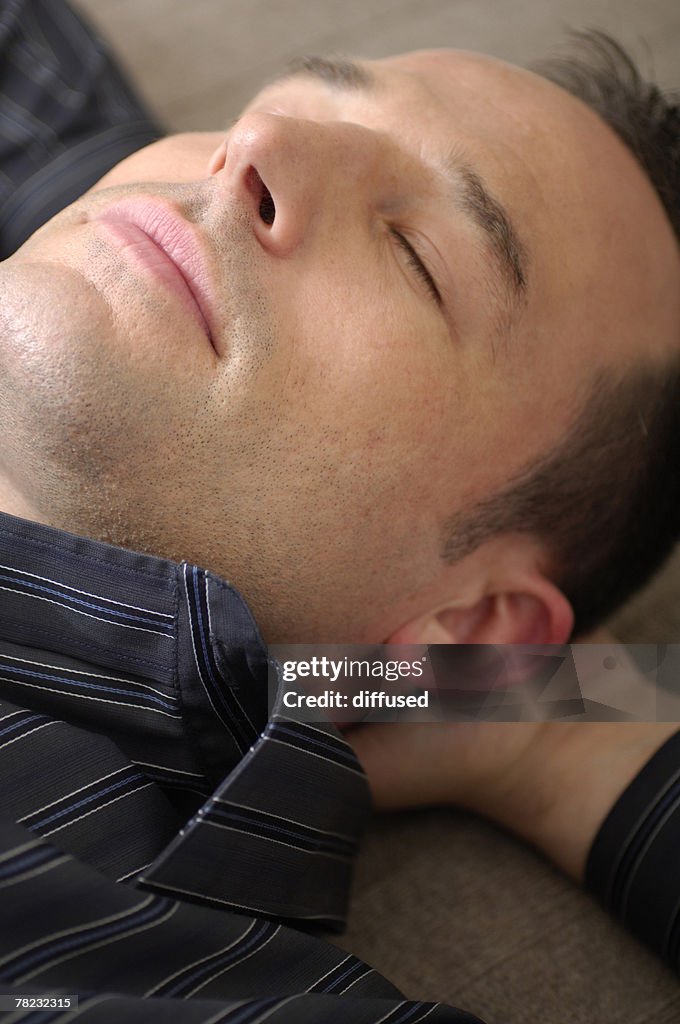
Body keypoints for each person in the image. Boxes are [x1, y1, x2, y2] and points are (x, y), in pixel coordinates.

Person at [1, 0, 680, 1020]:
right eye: (282, 101)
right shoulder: (124, 202)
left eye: (416, 257)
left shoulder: (134, 967)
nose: (256, 146)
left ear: (472, 621)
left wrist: (545, 721)